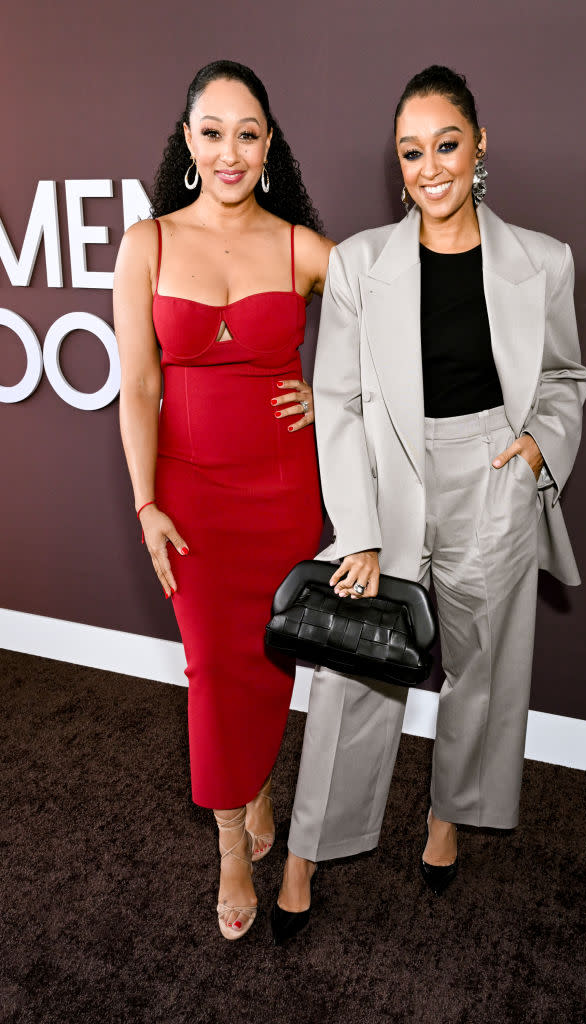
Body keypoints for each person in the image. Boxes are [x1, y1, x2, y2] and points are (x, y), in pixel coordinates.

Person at [272, 65, 586, 944]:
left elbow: (564, 376)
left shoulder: (542, 261)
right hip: (391, 479)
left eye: (445, 144)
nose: (429, 166)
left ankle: (447, 818)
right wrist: (360, 532)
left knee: (483, 669)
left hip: (493, 472)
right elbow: (334, 402)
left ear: (479, 146)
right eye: (411, 152)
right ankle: (306, 852)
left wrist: (539, 452)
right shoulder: (358, 264)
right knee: (354, 671)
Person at [114, 60, 332, 941]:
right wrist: (144, 504)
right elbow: (136, 386)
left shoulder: (302, 247)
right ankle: (233, 847)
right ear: (188, 139)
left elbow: (395, 327)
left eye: (247, 132)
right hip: (189, 500)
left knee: (270, 659)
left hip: (283, 492)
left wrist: (338, 393)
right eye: (212, 131)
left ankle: (259, 781)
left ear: (268, 143)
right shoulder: (149, 243)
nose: (229, 150)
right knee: (211, 671)